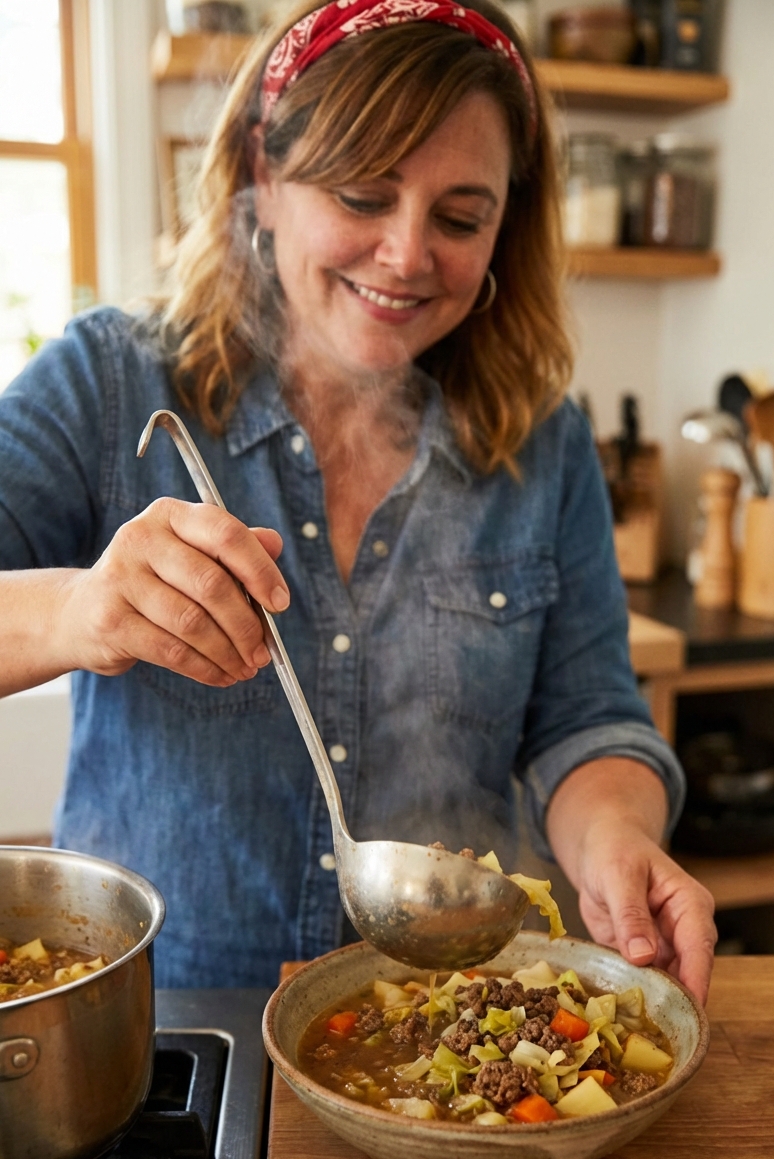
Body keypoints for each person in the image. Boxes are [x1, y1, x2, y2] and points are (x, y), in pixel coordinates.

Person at [0, 0, 716, 998]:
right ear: (264, 172)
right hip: (165, 1041)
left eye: (460, 216)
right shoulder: (108, 383)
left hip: (447, 1030)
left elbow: (585, 720)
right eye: (362, 194)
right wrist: (78, 610)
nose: (407, 253)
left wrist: (615, 846)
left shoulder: (538, 439)